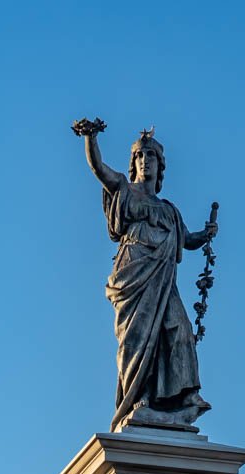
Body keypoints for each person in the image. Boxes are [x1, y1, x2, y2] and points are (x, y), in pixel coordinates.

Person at [74, 120, 218, 430]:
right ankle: (136, 398)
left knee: (178, 328)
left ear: (160, 165)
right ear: (133, 163)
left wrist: (205, 235)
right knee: (135, 339)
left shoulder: (168, 209)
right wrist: (91, 138)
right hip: (134, 274)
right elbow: (99, 169)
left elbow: (186, 240)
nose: (144, 162)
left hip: (163, 281)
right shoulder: (125, 190)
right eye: (140, 157)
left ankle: (184, 398)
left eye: (150, 156)